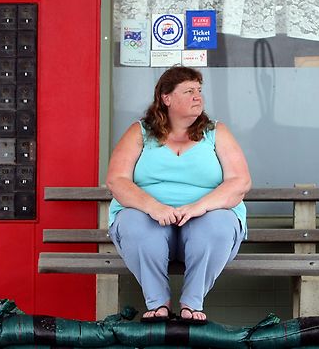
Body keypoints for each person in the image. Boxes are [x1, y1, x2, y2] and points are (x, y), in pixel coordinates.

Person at [105, 66, 251, 325]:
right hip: (150, 218)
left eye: (199, 90)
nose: (198, 96)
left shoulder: (216, 132)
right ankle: (157, 304)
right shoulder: (139, 133)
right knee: (133, 223)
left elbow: (239, 182)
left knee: (219, 224)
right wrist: (153, 207)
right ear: (166, 98)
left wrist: (200, 207)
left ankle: (192, 304)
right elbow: (117, 180)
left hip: (203, 220)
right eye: (188, 91)